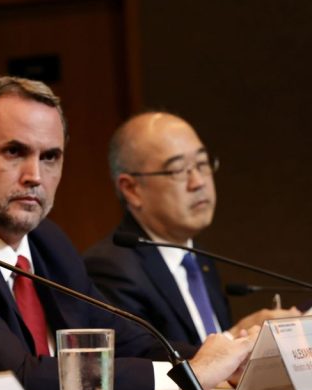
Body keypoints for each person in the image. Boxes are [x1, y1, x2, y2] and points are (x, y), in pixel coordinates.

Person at [0, 76, 257, 390]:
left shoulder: (47, 242)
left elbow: (131, 340)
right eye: (14, 152)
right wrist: (191, 374)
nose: (35, 175)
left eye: (50, 157)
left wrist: (229, 359)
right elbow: (16, 379)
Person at [84, 112, 298, 346]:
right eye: (178, 170)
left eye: (202, 164)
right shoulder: (111, 268)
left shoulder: (198, 258)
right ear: (132, 189)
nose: (198, 182)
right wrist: (235, 337)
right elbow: (145, 357)